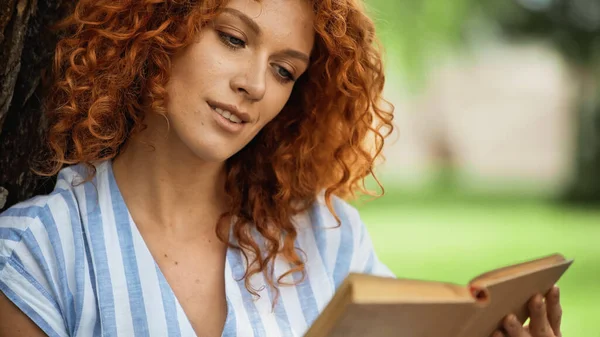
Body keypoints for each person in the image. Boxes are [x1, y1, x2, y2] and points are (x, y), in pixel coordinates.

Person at [0, 0, 562, 336]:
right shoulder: (37, 252)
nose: (254, 85)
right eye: (233, 38)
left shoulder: (326, 236)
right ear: (161, 25)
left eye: (285, 71)